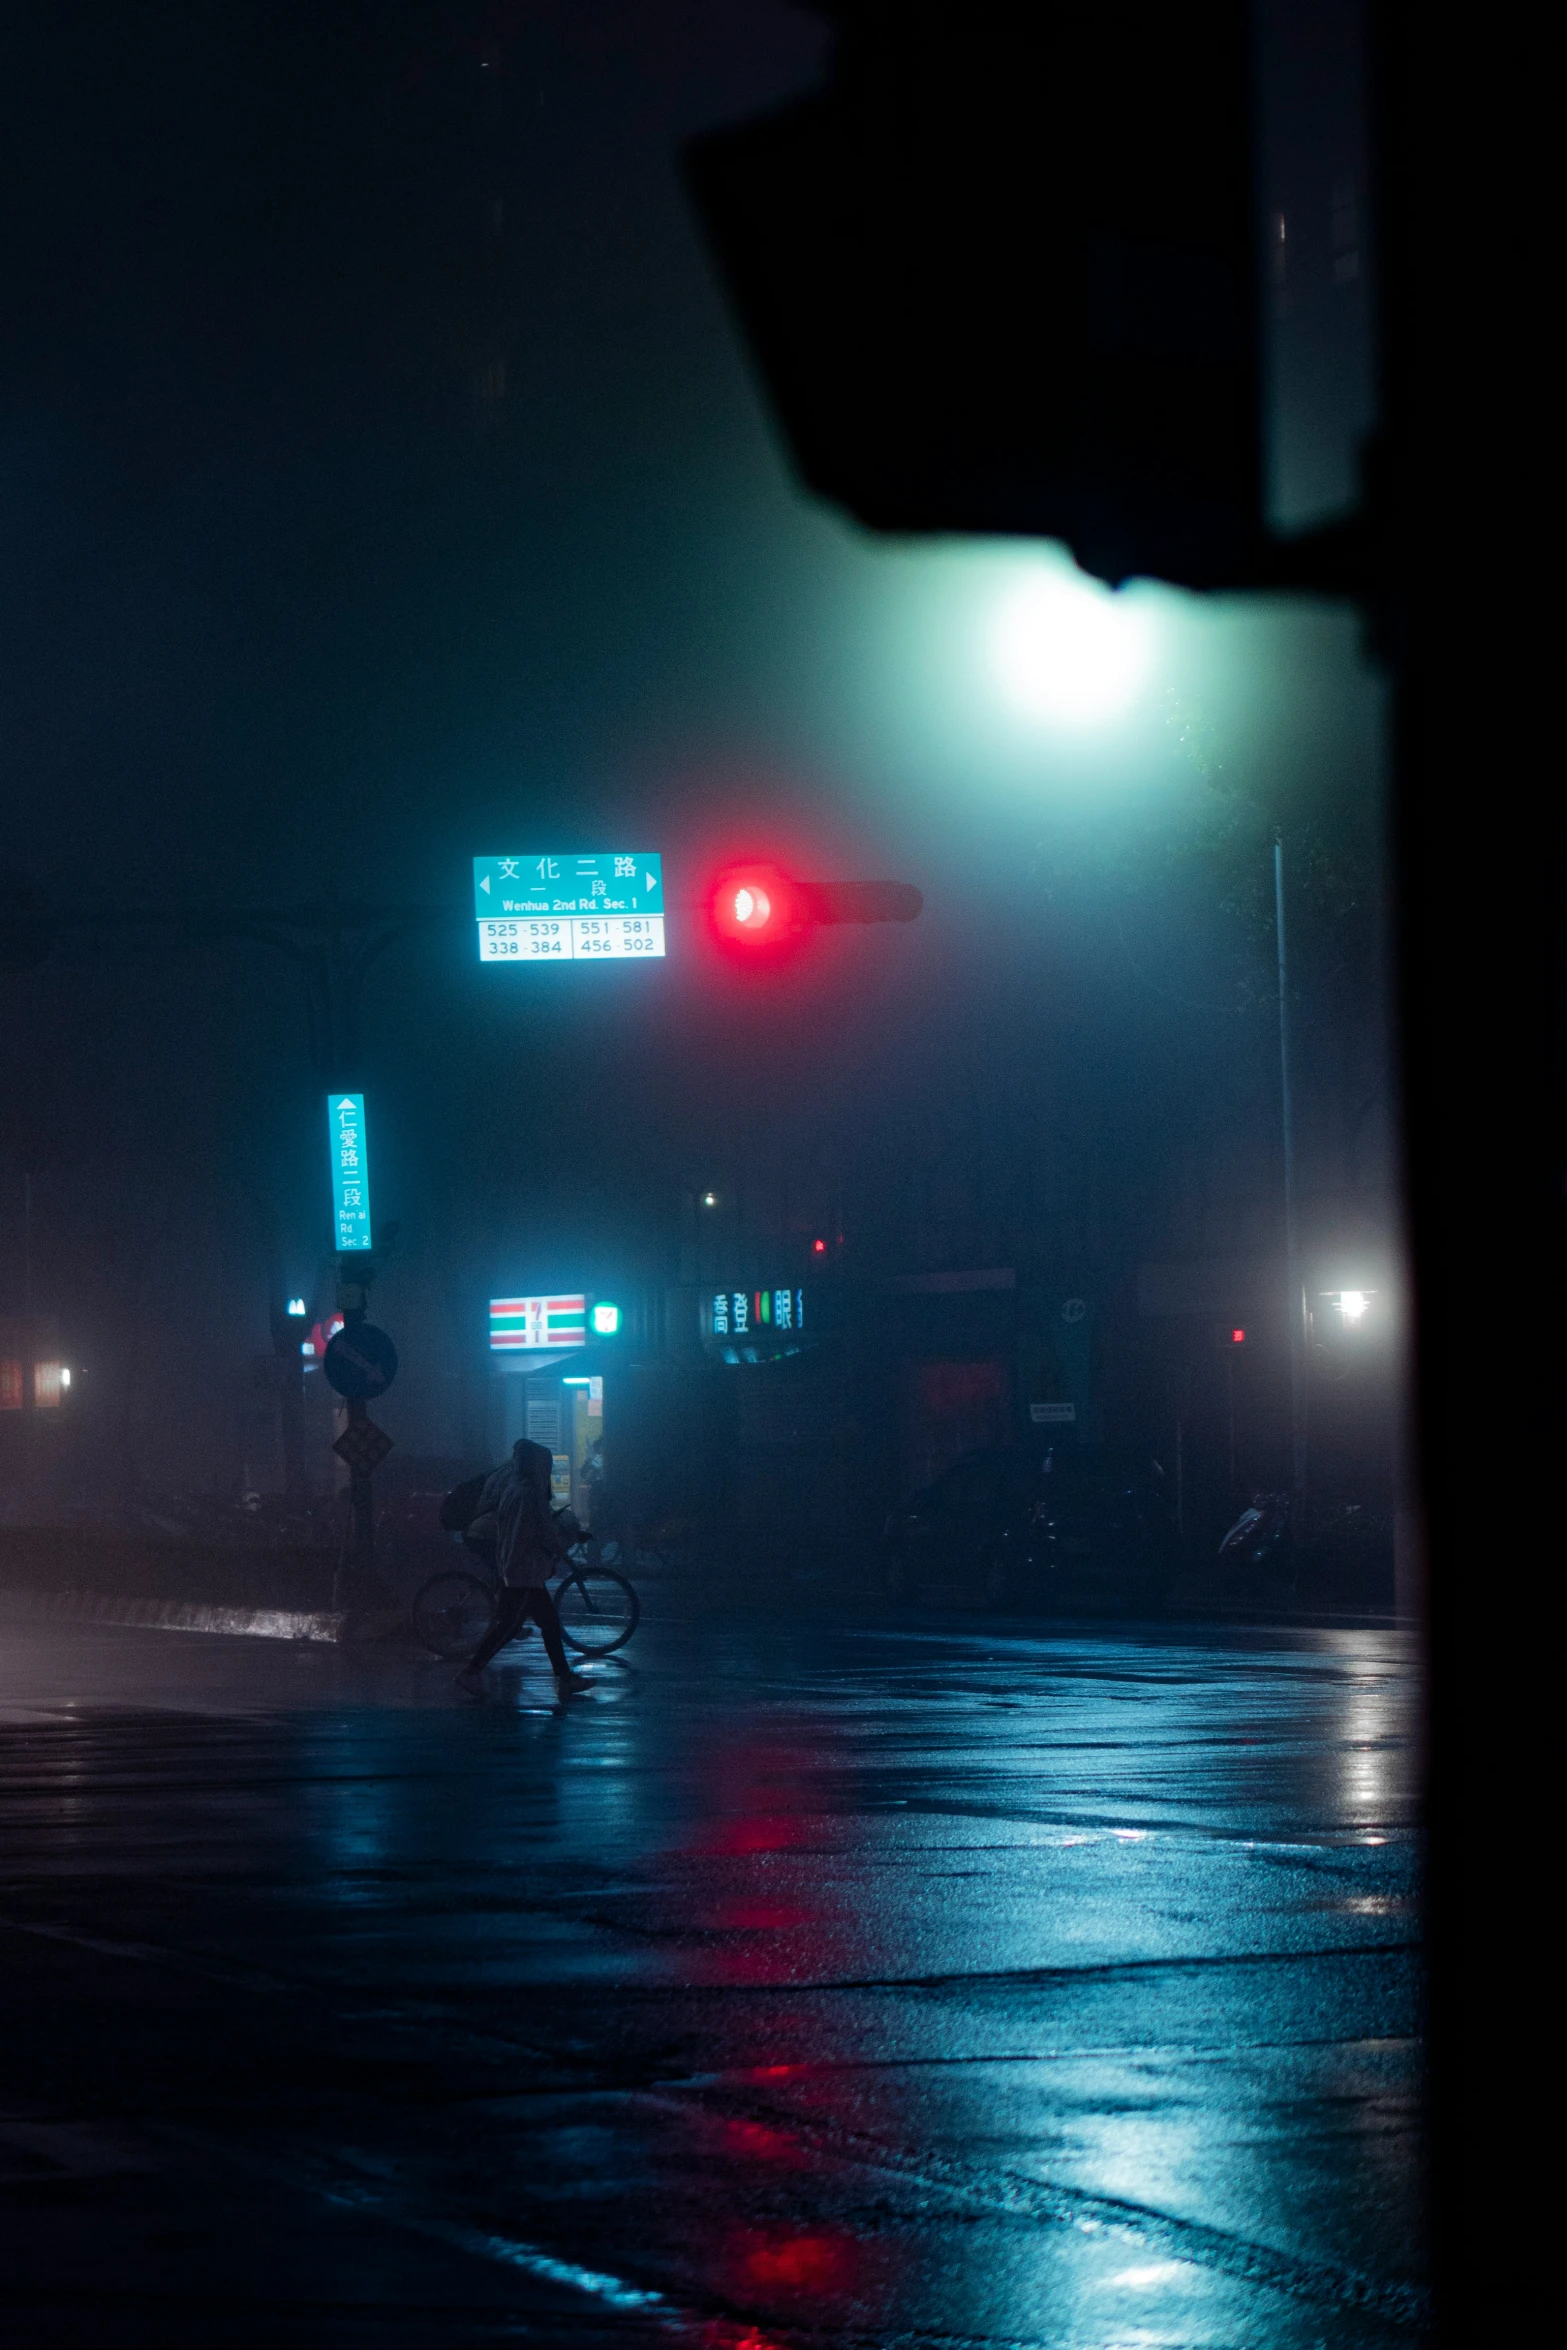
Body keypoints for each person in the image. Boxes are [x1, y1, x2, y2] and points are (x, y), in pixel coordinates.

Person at [456, 1438, 591, 1701]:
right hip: (524, 1573)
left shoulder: (515, 1489)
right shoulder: (529, 1494)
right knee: (510, 1626)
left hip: (519, 1569)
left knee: (545, 1624)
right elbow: (543, 1531)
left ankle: (565, 1679)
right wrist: (565, 1541)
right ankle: (471, 1671)